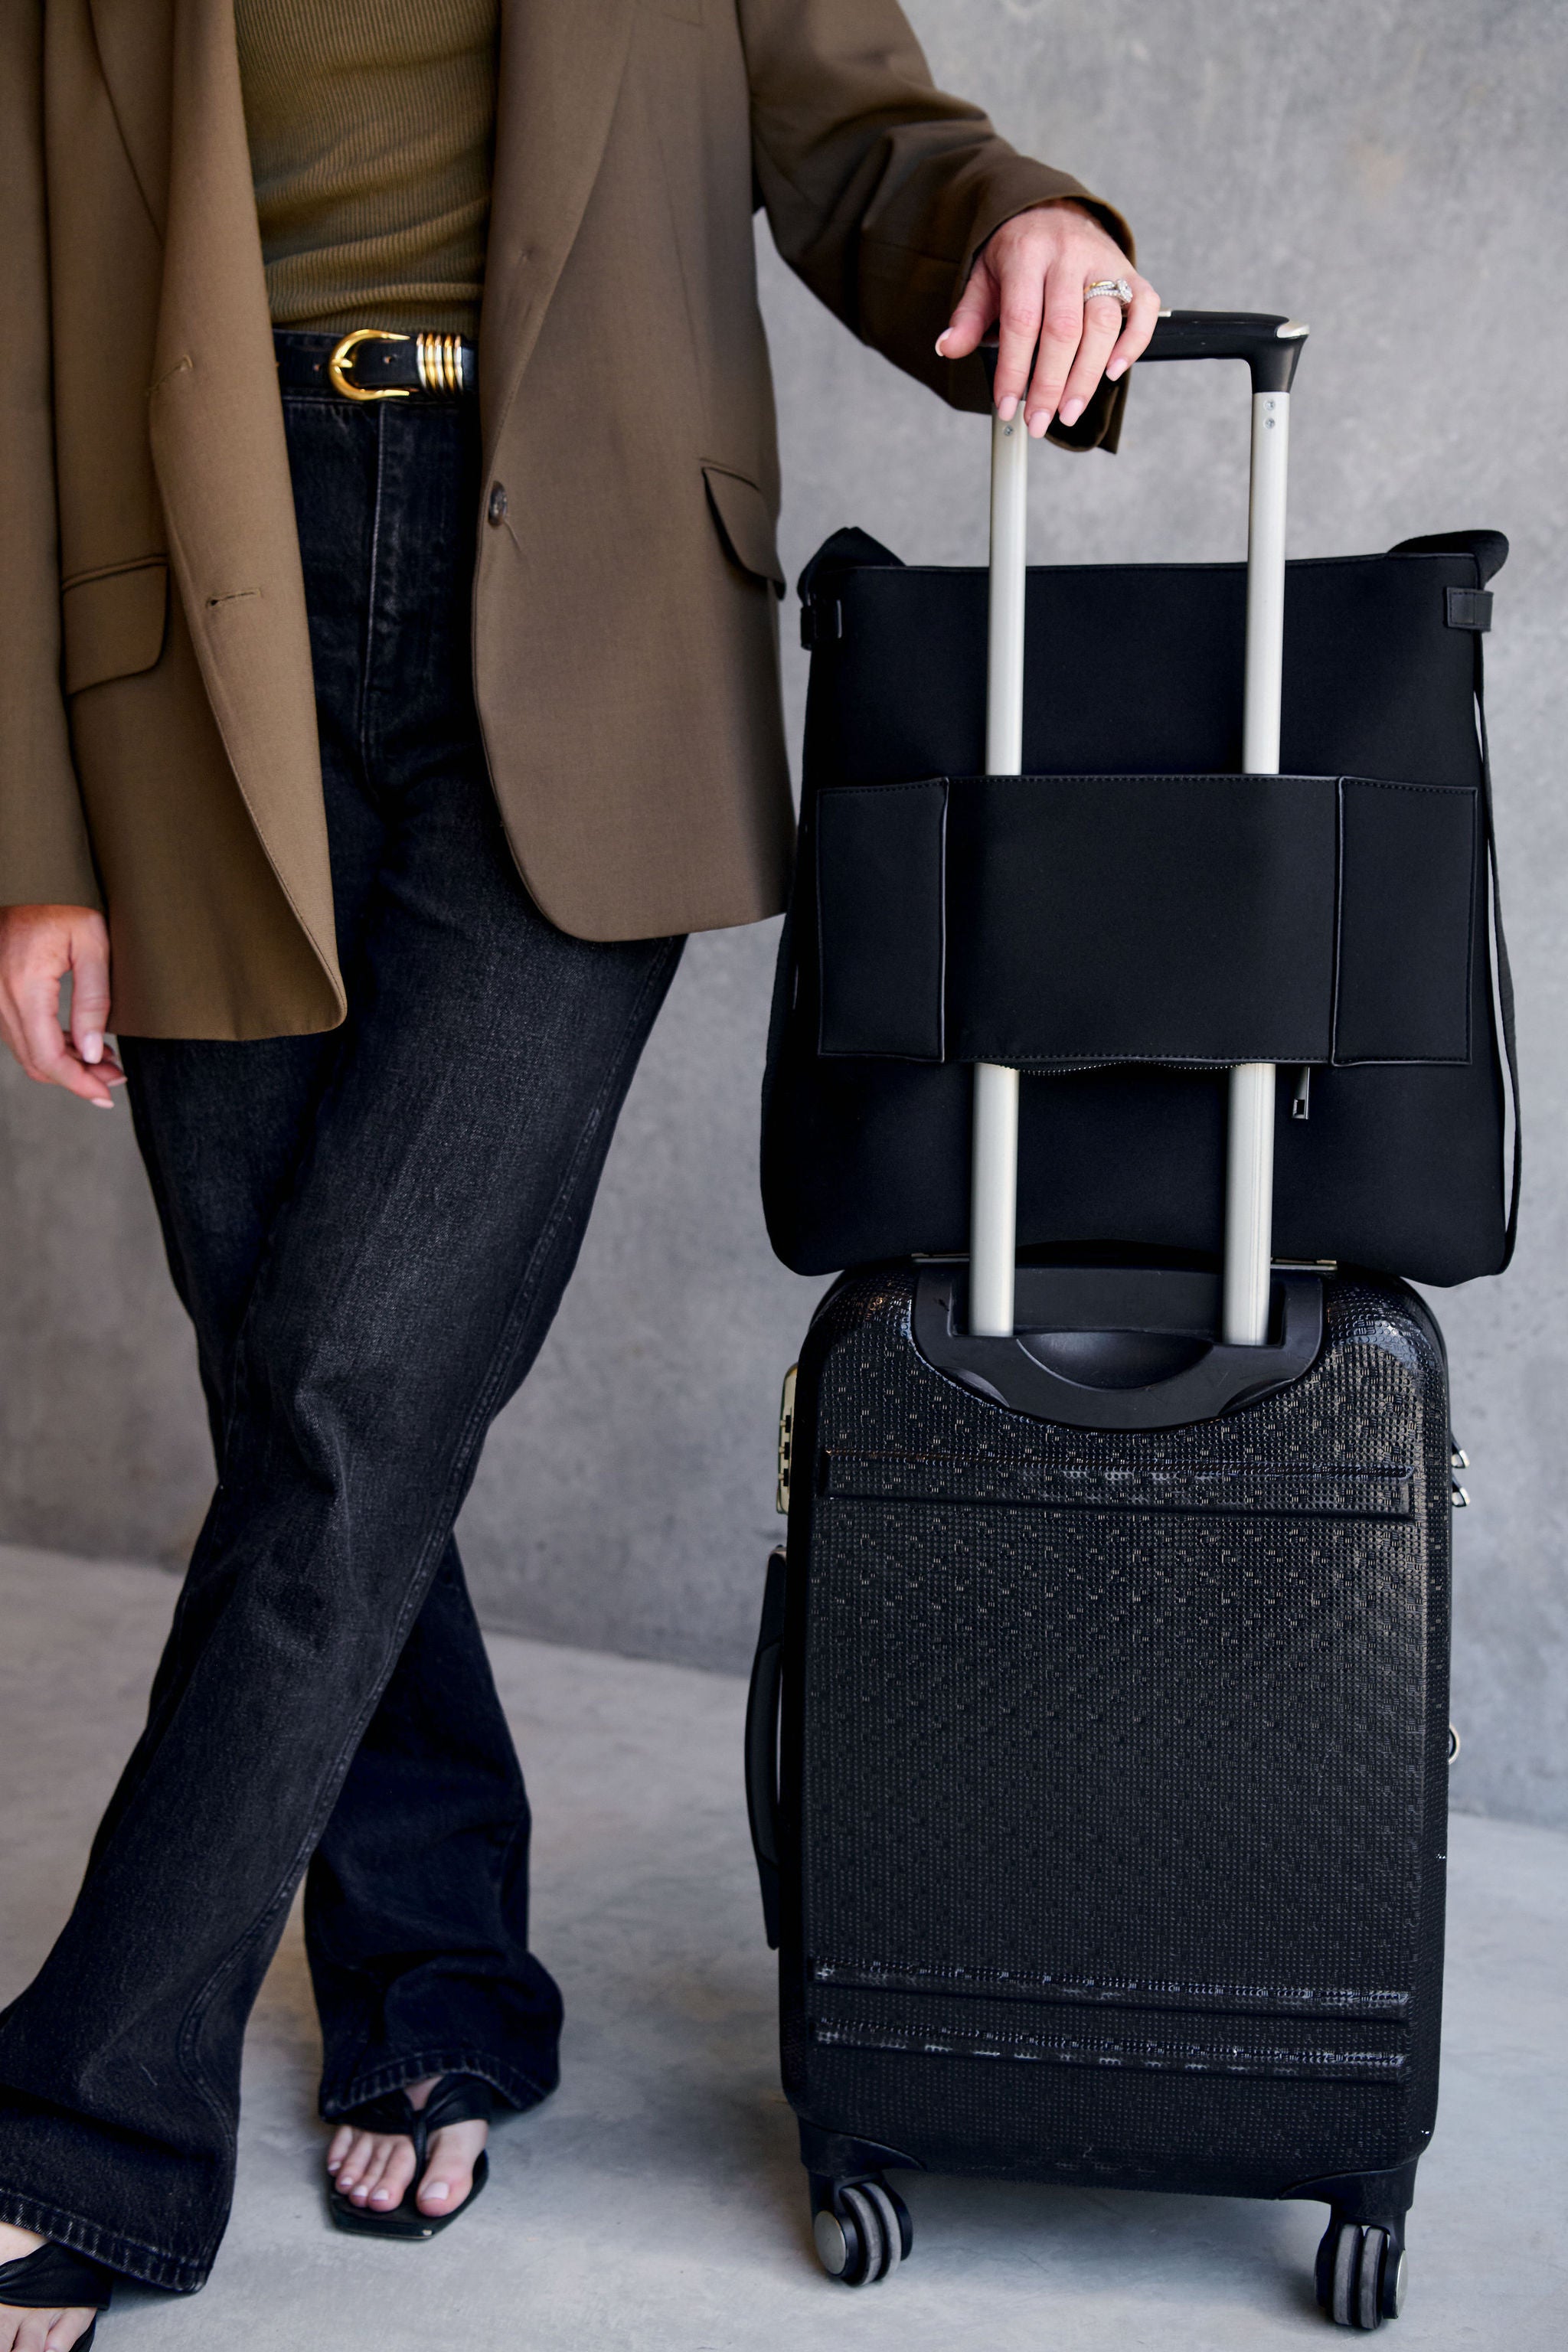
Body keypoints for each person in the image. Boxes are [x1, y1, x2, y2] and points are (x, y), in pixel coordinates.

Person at [0, 1, 1157, 2340]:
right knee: (312, 1397)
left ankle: (83, 2123)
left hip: (590, 613)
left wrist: (1025, 216)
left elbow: (863, 144)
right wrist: (30, 841)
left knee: (345, 1386)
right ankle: (438, 1979)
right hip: (193, 645)